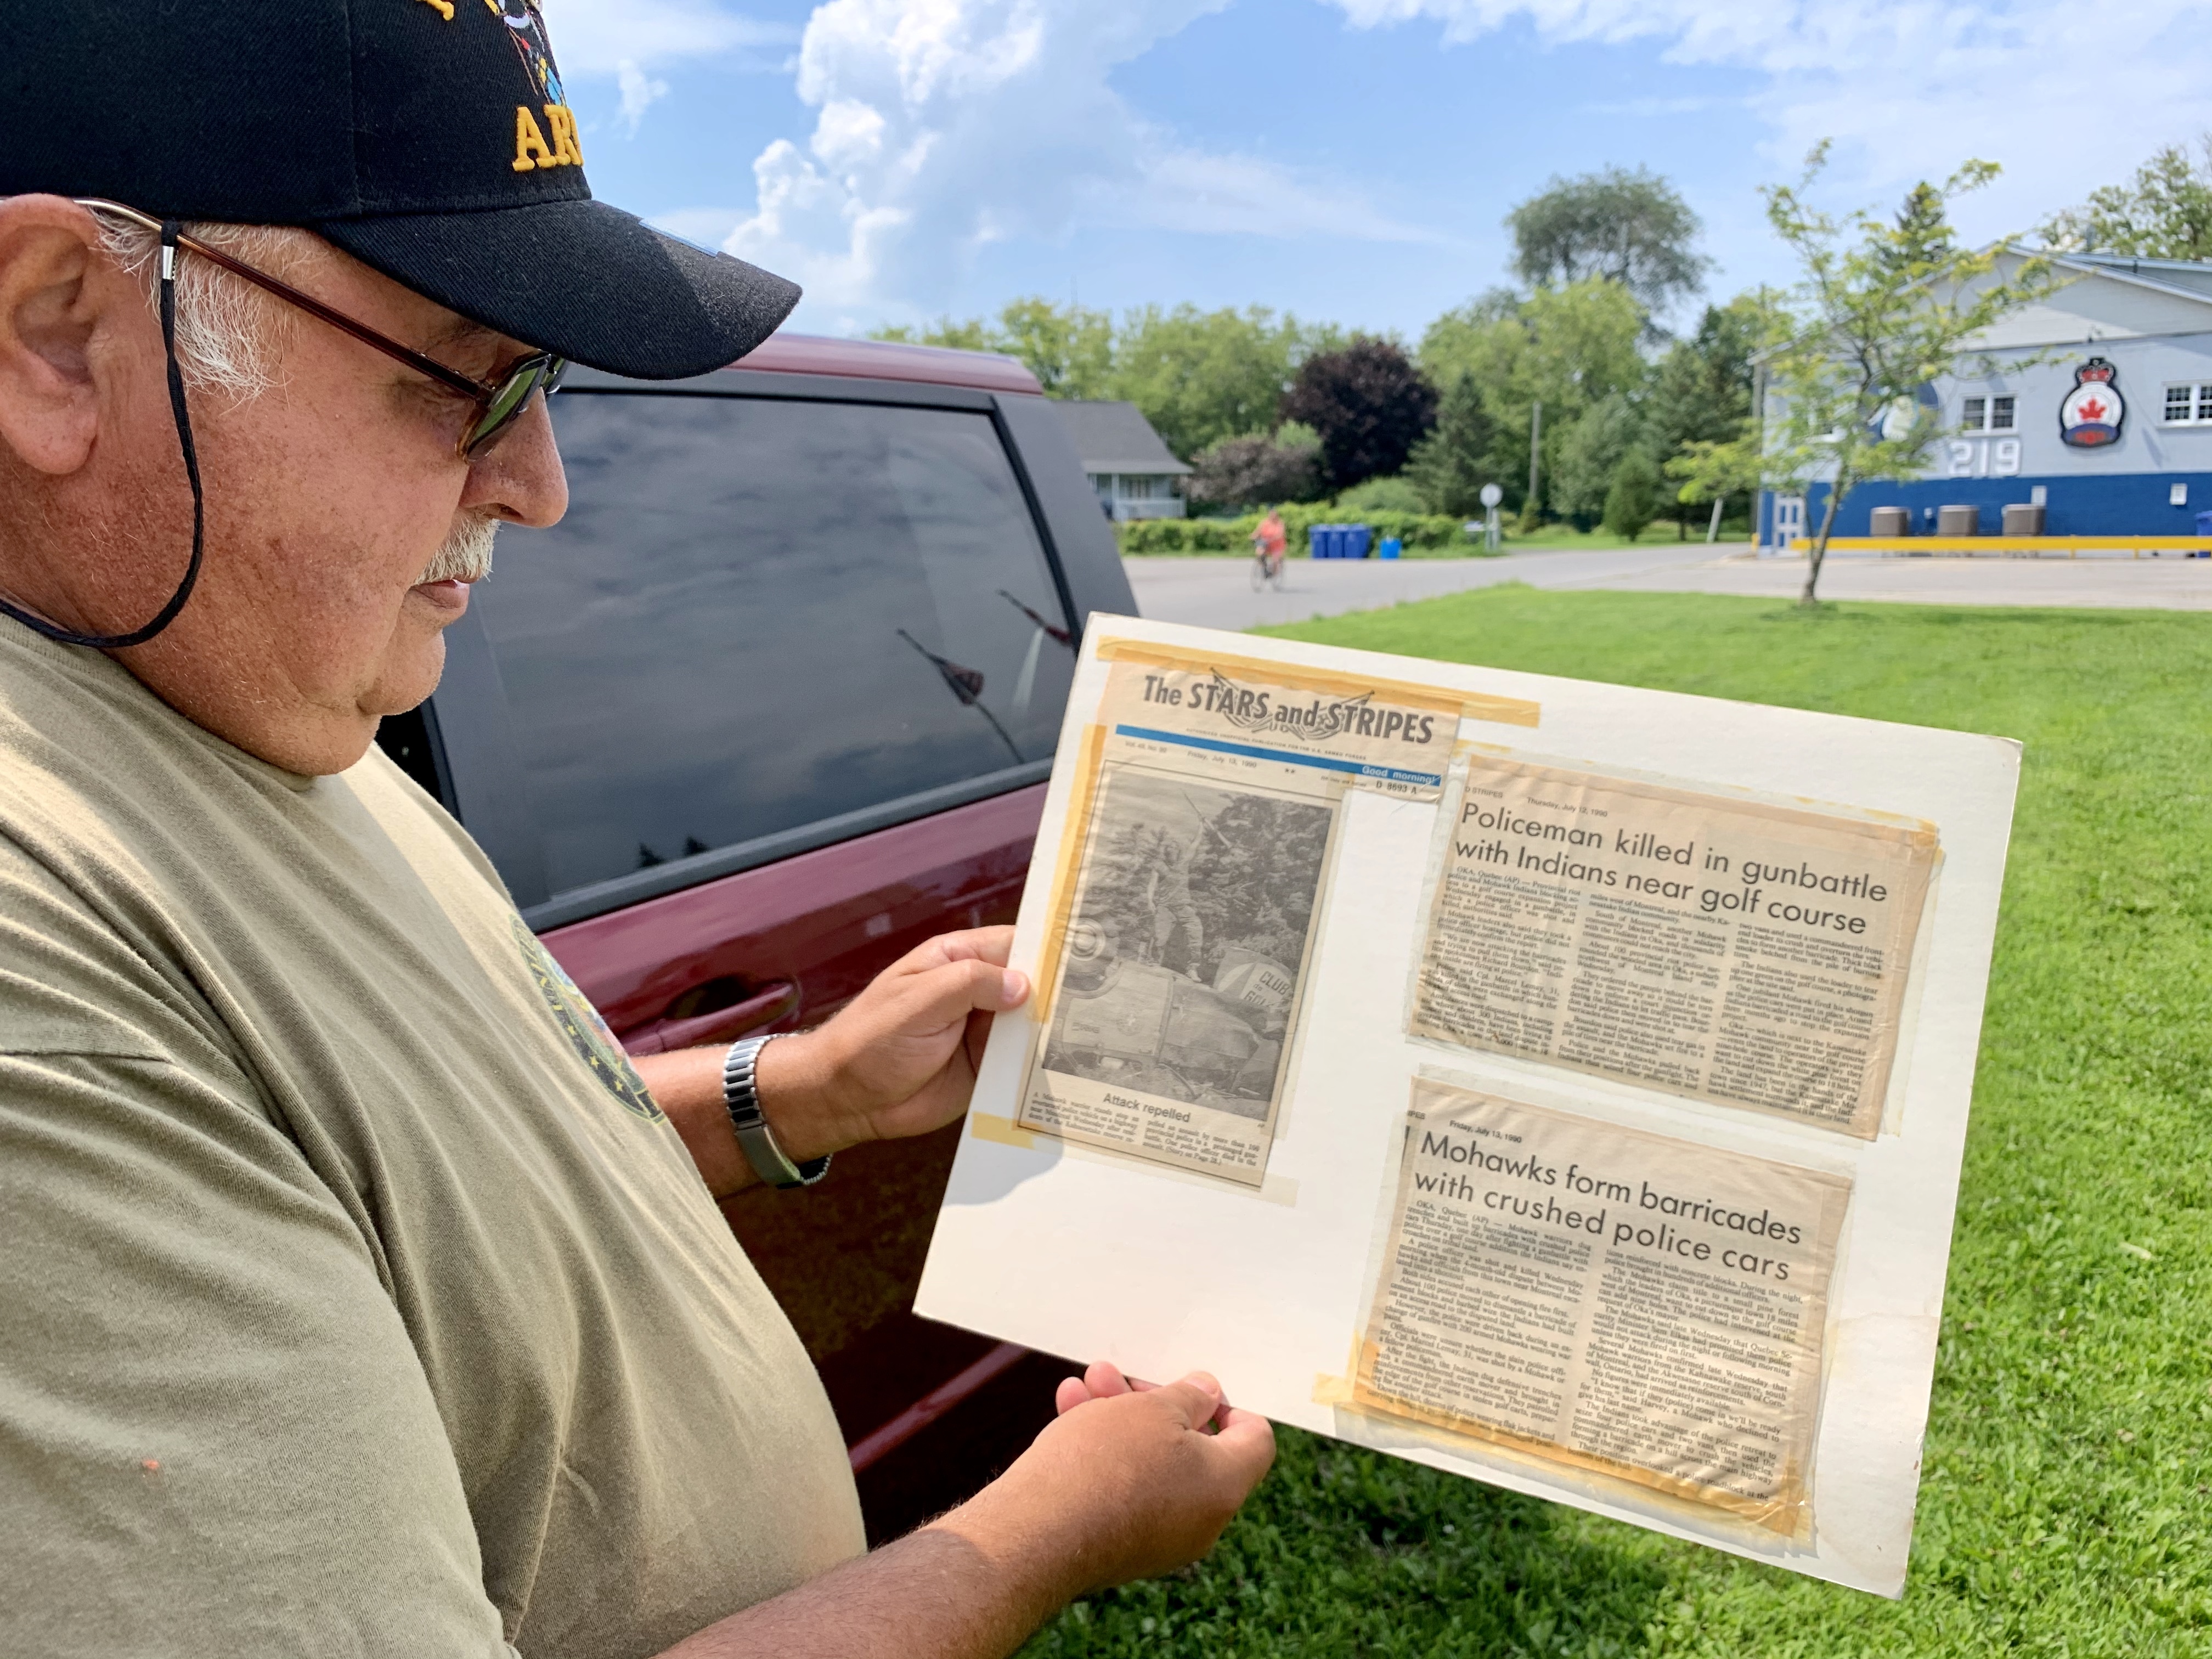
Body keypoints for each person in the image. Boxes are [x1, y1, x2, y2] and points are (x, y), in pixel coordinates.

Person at [0, 7, 1272, 1658]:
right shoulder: (41, 966)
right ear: (55, 332)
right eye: (474, 373)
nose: (542, 481)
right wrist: (1041, 1534)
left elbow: (426, 1173)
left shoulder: (255, 697)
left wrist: (795, 1090)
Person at [1253, 505, 1288, 578]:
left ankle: (1274, 573)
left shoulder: (1280, 524)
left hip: (1277, 545)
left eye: (1274, 515)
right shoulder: (1265, 523)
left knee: (1276, 560)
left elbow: (1280, 534)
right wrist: (1254, 536)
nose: (1272, 517)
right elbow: (1258, 531)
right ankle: (1264, 568)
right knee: (1260, 552)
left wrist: (1274, 538)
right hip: (1267, 544)